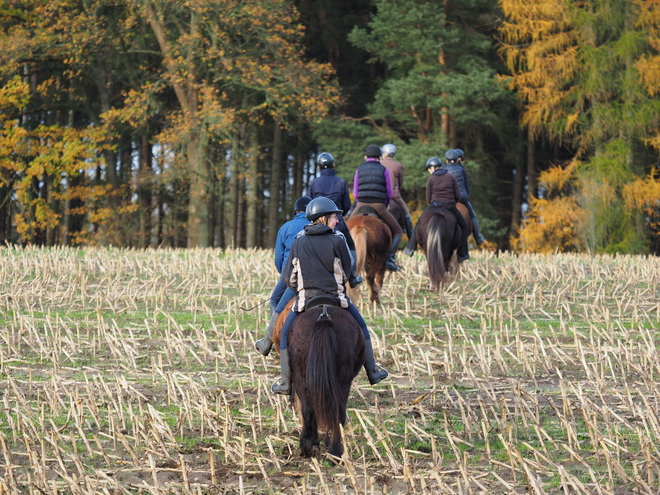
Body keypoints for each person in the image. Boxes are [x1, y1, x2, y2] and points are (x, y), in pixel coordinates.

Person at [271, 197, 389, 395]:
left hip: (305, 300)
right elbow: (345, 272)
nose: (337, 221)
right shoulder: (338, 239)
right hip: (336, 299)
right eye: (334, 217)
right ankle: (373, 371)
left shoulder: (299, 242)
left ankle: (285, 381)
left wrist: (302, 286)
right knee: (361, 326)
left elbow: (289, 277)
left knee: (284, 335)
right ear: (323, 218)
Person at [255, 196, 311, 356]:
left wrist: (284, 276)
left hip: (291, 275)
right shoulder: (318, 226)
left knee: (275, 302)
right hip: (316, 275)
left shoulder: (286, 227)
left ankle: (268, 341)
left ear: (296, 211)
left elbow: (279, 257)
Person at [308, 152, 362, 288]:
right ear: (333, 165)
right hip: (337, 222)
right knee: (350, 246)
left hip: (317, 221)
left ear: (319, 167)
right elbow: (346, 206)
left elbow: (309, 204)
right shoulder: (340, 182)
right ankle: (352, 277)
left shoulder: (313, 183)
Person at [403, 157, 470, 262]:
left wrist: (433, 203)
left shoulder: (431, 179)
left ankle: (410, 247)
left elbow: (429, 198)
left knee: (419, 222)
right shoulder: (450, 177)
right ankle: (462, 253)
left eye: (429, 169)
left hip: (436, 204)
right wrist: (452, 202)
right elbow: (457, 195)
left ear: (432, 168)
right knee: (464, 226)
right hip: (450, 205)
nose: (429, 171)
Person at [352, 145, 403, 272]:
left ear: (366, 157)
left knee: (343, 228)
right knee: (398, 231)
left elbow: (355, 193)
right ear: (379, 157)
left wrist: (360, 203)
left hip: (361, 204)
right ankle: (389, 258)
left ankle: (345, 256)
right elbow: (389, 192)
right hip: (378, 205)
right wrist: (385, 205)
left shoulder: (359, 169)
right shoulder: (383, 169)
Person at [444, 149, 485, 245]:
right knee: (472, 215)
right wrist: (465, 195)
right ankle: (478, 237)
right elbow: (466, 186)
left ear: (447, 160)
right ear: (458, 159)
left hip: (447, 198)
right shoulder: (462, 169)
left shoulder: (443, 169)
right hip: (461, 198)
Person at [380, 144, 414, 240]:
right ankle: (411, 239)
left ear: (384, 153)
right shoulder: (398, 165)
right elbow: (400, 182)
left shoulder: (379, 163)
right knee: (407, 214)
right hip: (395, 195)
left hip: (381, 194)